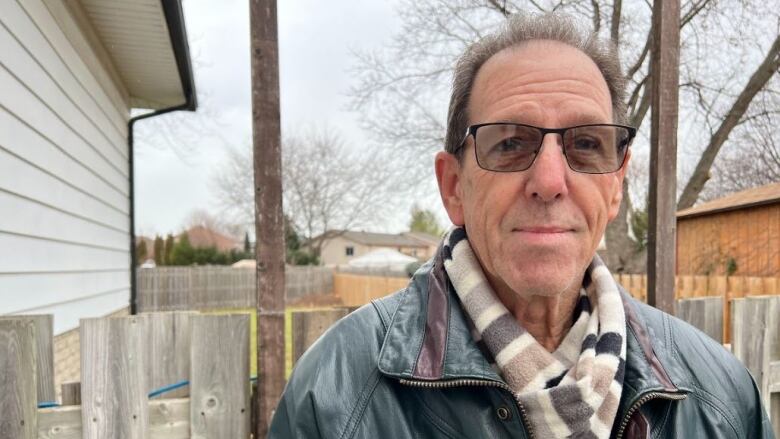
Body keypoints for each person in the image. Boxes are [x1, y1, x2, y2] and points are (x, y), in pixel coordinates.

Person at [269, 13, 774, 439]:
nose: (550, 181)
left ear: (616, 186)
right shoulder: (335, 399)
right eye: (509, 143)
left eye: (585, 144)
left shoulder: (722, 400)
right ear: (453, 187)